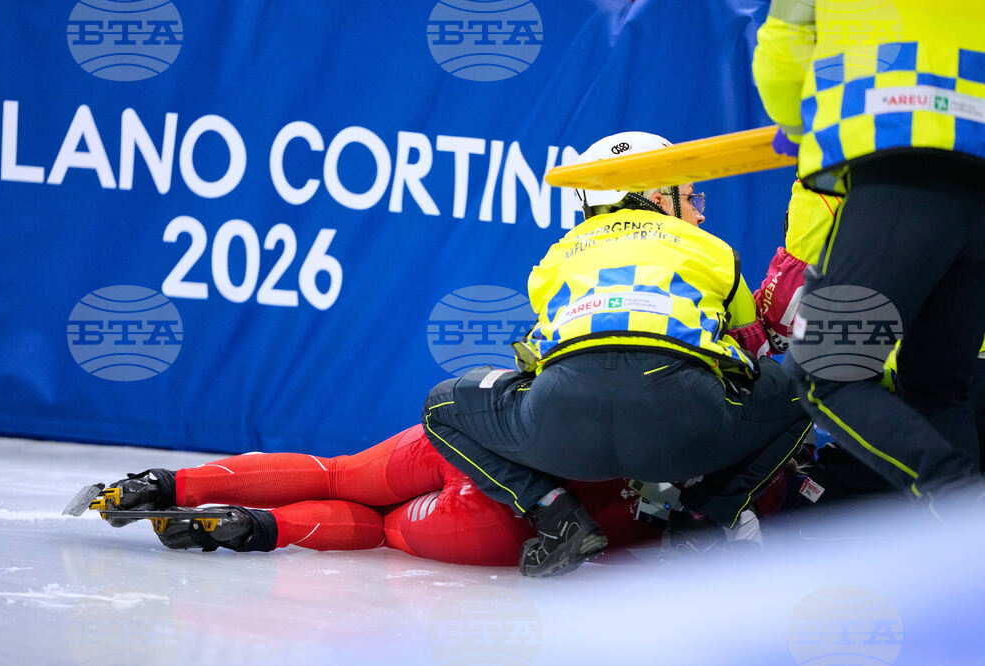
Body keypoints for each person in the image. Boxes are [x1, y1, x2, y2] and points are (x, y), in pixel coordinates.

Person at [421, 131, 813, 578]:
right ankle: (704, 517)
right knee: (804, 387)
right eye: (689, 197)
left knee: (442, 407)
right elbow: (756, 350)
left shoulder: (557, 256)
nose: (699, 215)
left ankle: (555, 514)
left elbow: (531, 360)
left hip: (564, 432)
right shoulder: (715, 252)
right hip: (685, 432)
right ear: (656, 194)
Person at [753, 2, 985, 506]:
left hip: (902, 153)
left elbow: (781, 47)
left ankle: (964, 507)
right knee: (937, 392)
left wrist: (795, 122)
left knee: (825, 373)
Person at [96, 424, 658, 565]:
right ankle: (253, 525)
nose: (701, 208)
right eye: (691, 195)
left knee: (341, 476)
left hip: (474, 441)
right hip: (508, 514)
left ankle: (166, 485)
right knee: (385, 528)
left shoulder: (576, 281)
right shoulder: (719, 309)